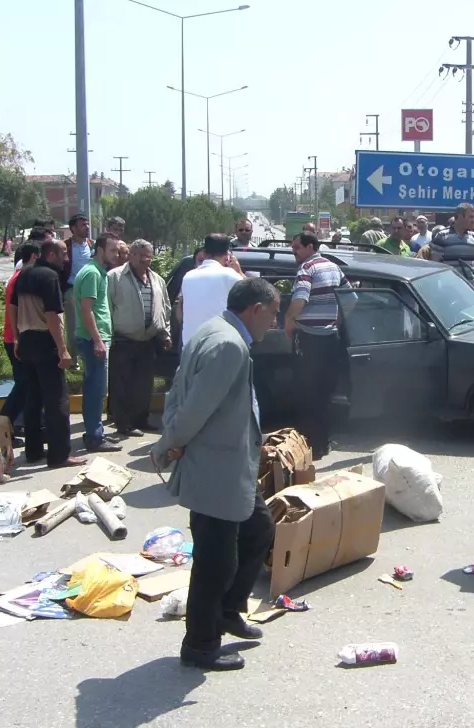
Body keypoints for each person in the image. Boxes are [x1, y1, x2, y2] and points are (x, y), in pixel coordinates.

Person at [153, 277, 280, 671]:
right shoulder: (227, 343)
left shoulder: (212, 329)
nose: (273, 323)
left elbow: (178, 391)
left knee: (259, 529)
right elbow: (193, 406)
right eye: (273, 314)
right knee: (215, 562)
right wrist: (170, 443)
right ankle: (201, 645)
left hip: (230, 466)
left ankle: (227, 611)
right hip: (215, 468)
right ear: (255, 310)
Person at [10, 238, 86, 469]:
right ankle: (60, 455)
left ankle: (33, 451)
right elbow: (52, 315)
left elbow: (12, 308)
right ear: (51, 254)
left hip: (26, 341)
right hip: (45, 341)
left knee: (33, 398)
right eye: (63, 253)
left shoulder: (24, 274)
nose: (67, 258)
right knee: (57, 401)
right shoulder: (50, 277)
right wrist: (62, 349)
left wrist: (16, 338)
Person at [284, 231, 354, 460]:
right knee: (325, 393)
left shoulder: (307, 269)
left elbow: (299, 300)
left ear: (311, 247)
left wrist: (288, 322)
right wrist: (337, 320)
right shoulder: (334, 267)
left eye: (297, 247)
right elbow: (351, 298)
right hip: (330, 339)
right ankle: (323, 443)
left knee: (308, 394)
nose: (293, 252)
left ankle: (310, 446)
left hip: (309, 340)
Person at [108, 239, 171, 437]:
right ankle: (123, 423)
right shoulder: (114, 277)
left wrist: (165, 333)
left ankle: (141, 419)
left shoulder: (157, 280)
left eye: (148, 256)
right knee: (122, 384)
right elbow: (106, 308)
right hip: (123, 340)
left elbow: (165, 309)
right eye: (141, 255)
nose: (146, 259)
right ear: (131, 255)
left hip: (148, 341)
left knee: (143, 384)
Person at [75, 231, 122, 453]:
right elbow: (87, 310)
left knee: (96, 388)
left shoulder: (99, 272)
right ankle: (94, 437)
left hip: (99, 337)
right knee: (96, 389)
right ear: (101, 250)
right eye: (113, 250)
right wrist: (97, 341)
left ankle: (96, 433)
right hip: (94, 339)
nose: (117, 254)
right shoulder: (92, 273)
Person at [1, 233, 47, 441]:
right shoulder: (22, 278)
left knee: (27, 385)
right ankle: (4, 424)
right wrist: (18, 337)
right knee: (24, 385)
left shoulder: (19, 276)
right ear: (35, 257)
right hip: (16, 338)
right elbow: (13, 309)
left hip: (15, 337)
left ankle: (16, 426)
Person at [180, 234, 245, 348]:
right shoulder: (230, 275)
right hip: (217, 348)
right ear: (227, 255)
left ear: (204, 254)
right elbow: (255, 292)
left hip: (189, 349)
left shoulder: (187, 277)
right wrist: (239, 271)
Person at [429, 202, 474, 292]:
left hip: (471, 288)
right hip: (449, 289)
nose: (473, 220)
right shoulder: (442, 236)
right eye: (470, 217)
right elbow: (435, 264)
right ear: (459, 216)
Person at [63, 213, 93, 368]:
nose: (87, 227)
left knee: (92, 323)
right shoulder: (65, 246)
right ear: (73, 228)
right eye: (83, 225)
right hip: (72, 290)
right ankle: (73, 359)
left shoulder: (92, 245)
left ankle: (89, 356)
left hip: (91, 291)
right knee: (73, 326)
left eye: (87, 224)